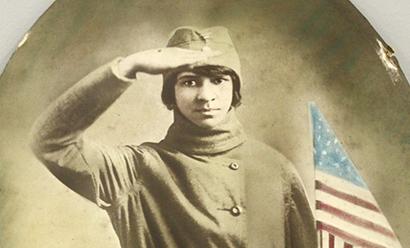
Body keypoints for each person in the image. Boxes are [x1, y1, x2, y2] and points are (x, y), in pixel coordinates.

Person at [30, 26, 317, 248]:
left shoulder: (274, 168)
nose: (206, 96)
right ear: (171, 94)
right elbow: (51, 142)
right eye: (189, 82)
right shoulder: (137, 169)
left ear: (234, 89)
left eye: (218, 80)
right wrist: (129, 66)